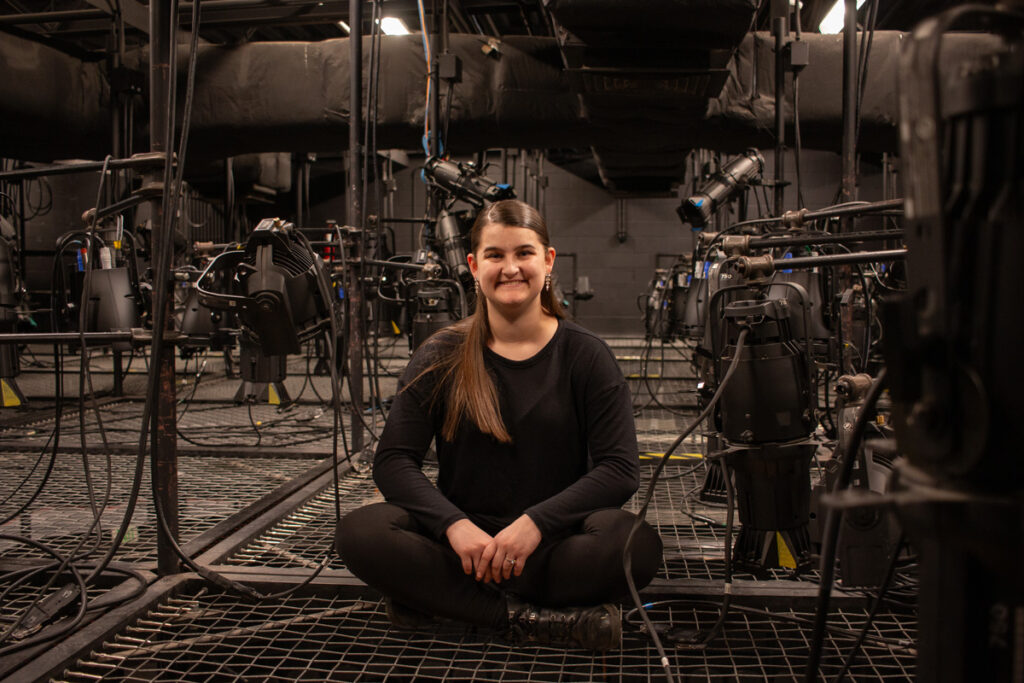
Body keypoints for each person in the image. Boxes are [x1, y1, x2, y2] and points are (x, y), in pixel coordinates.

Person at [336, 199, 662, 650]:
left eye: (524, 253)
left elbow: (619, 469)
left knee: (634, 545)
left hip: (550, 545)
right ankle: (526, 618)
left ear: (548, 260)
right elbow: (393, 461)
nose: (511, 268)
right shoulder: (440, 354)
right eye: (495, 255)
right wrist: (454, 525)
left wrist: (535, 523)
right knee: (361, 533)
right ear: (473, 265)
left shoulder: (586, 356)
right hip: (464, 547)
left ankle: (449, 601)